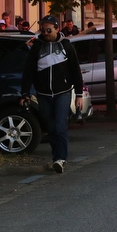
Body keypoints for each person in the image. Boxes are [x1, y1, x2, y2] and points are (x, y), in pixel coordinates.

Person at [20, 15, 84, 173]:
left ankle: (60, 158)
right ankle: (56, 154)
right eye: (43, 30)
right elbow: (29, 71)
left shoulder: (66, 46)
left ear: (56, 29)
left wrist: (79, 94)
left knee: (60, 125)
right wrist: (25, 93)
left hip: (63, 92)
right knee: (50, 127)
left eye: (49, 30)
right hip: (43, 93)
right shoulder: (37, 47)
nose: (46, 33)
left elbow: (75, 70)